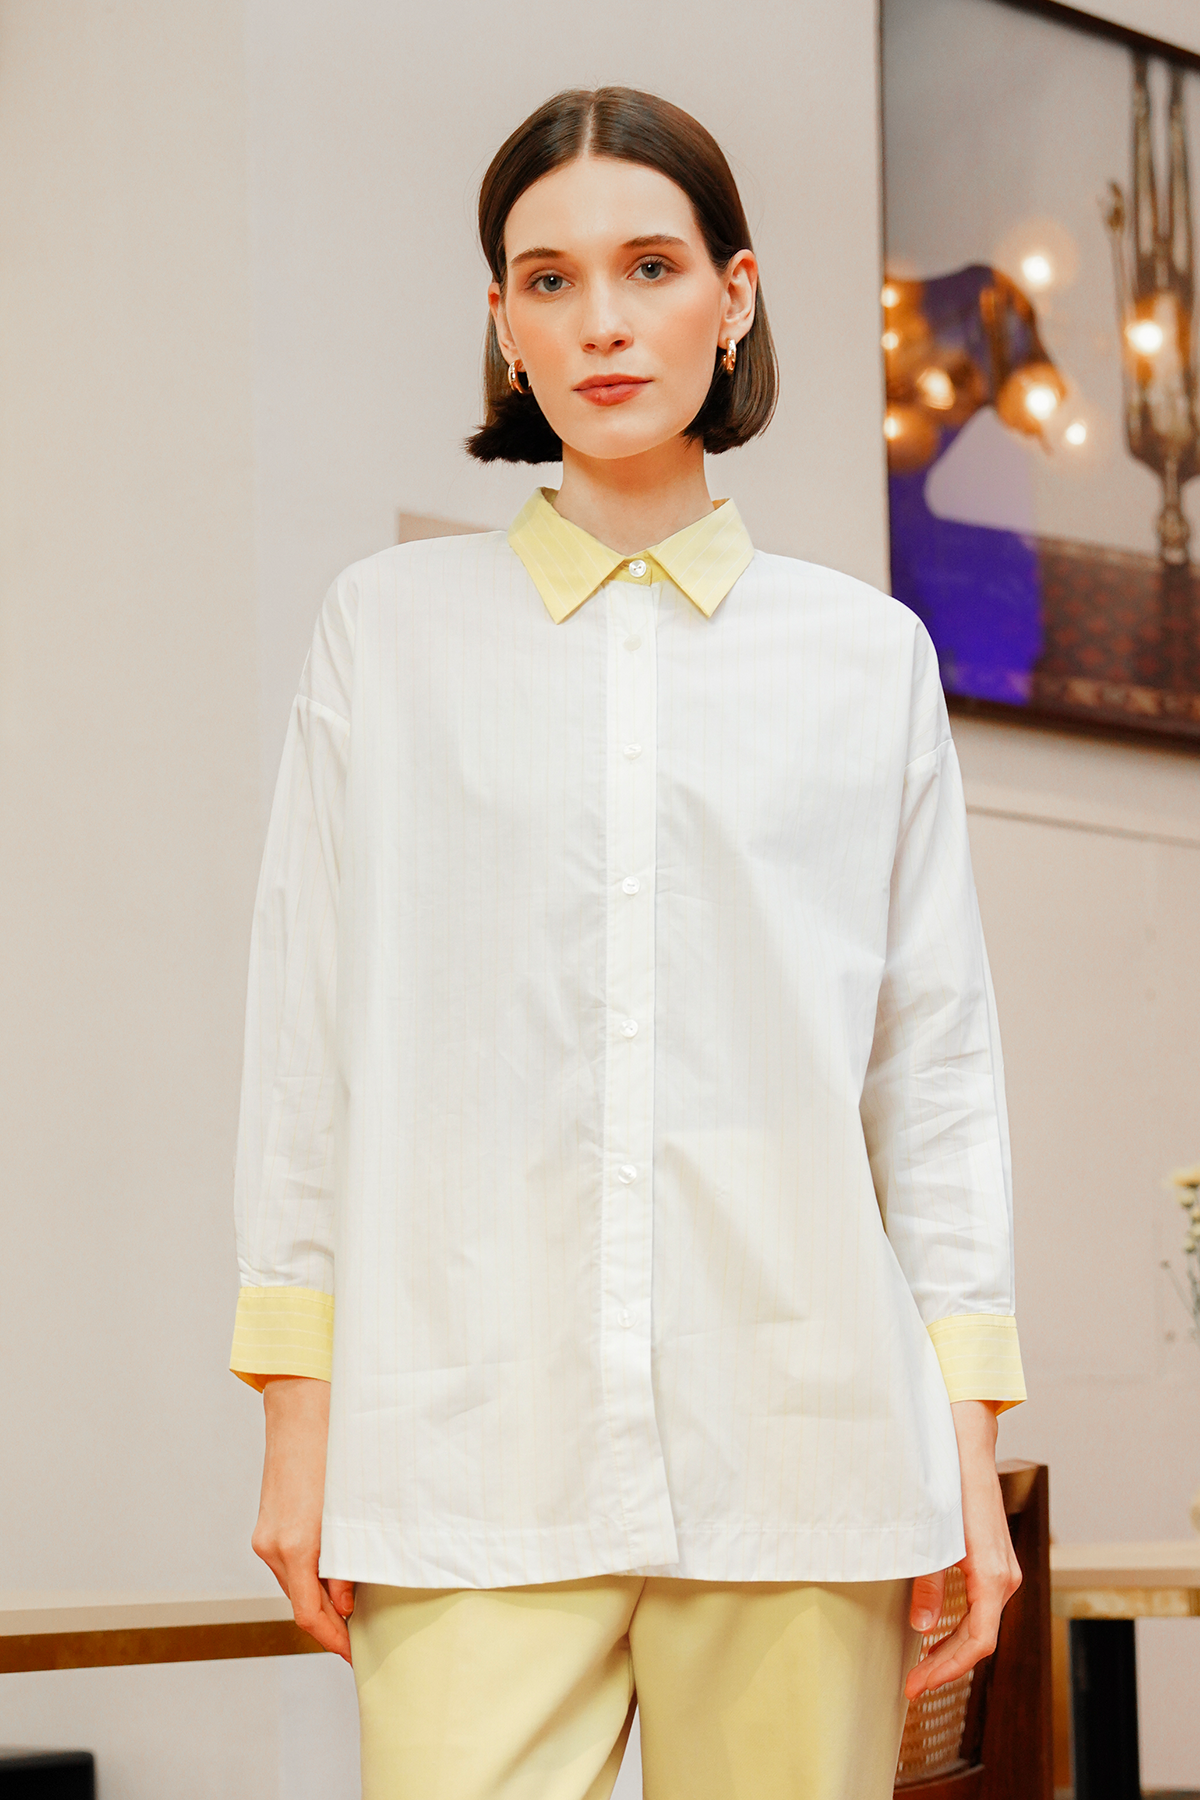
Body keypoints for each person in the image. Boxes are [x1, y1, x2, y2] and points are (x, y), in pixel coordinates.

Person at [230, 85, 1026, 1800]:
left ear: (734, 297)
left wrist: (964, 1446)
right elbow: (308, 1045)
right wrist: (297, 1416)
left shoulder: (867, 659)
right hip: (465, 1447)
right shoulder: (387, 636)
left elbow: (934, 1079)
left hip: (802, 1450)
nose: (601, 321)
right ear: (503, 324)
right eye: (550, 279)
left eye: (650, 266)